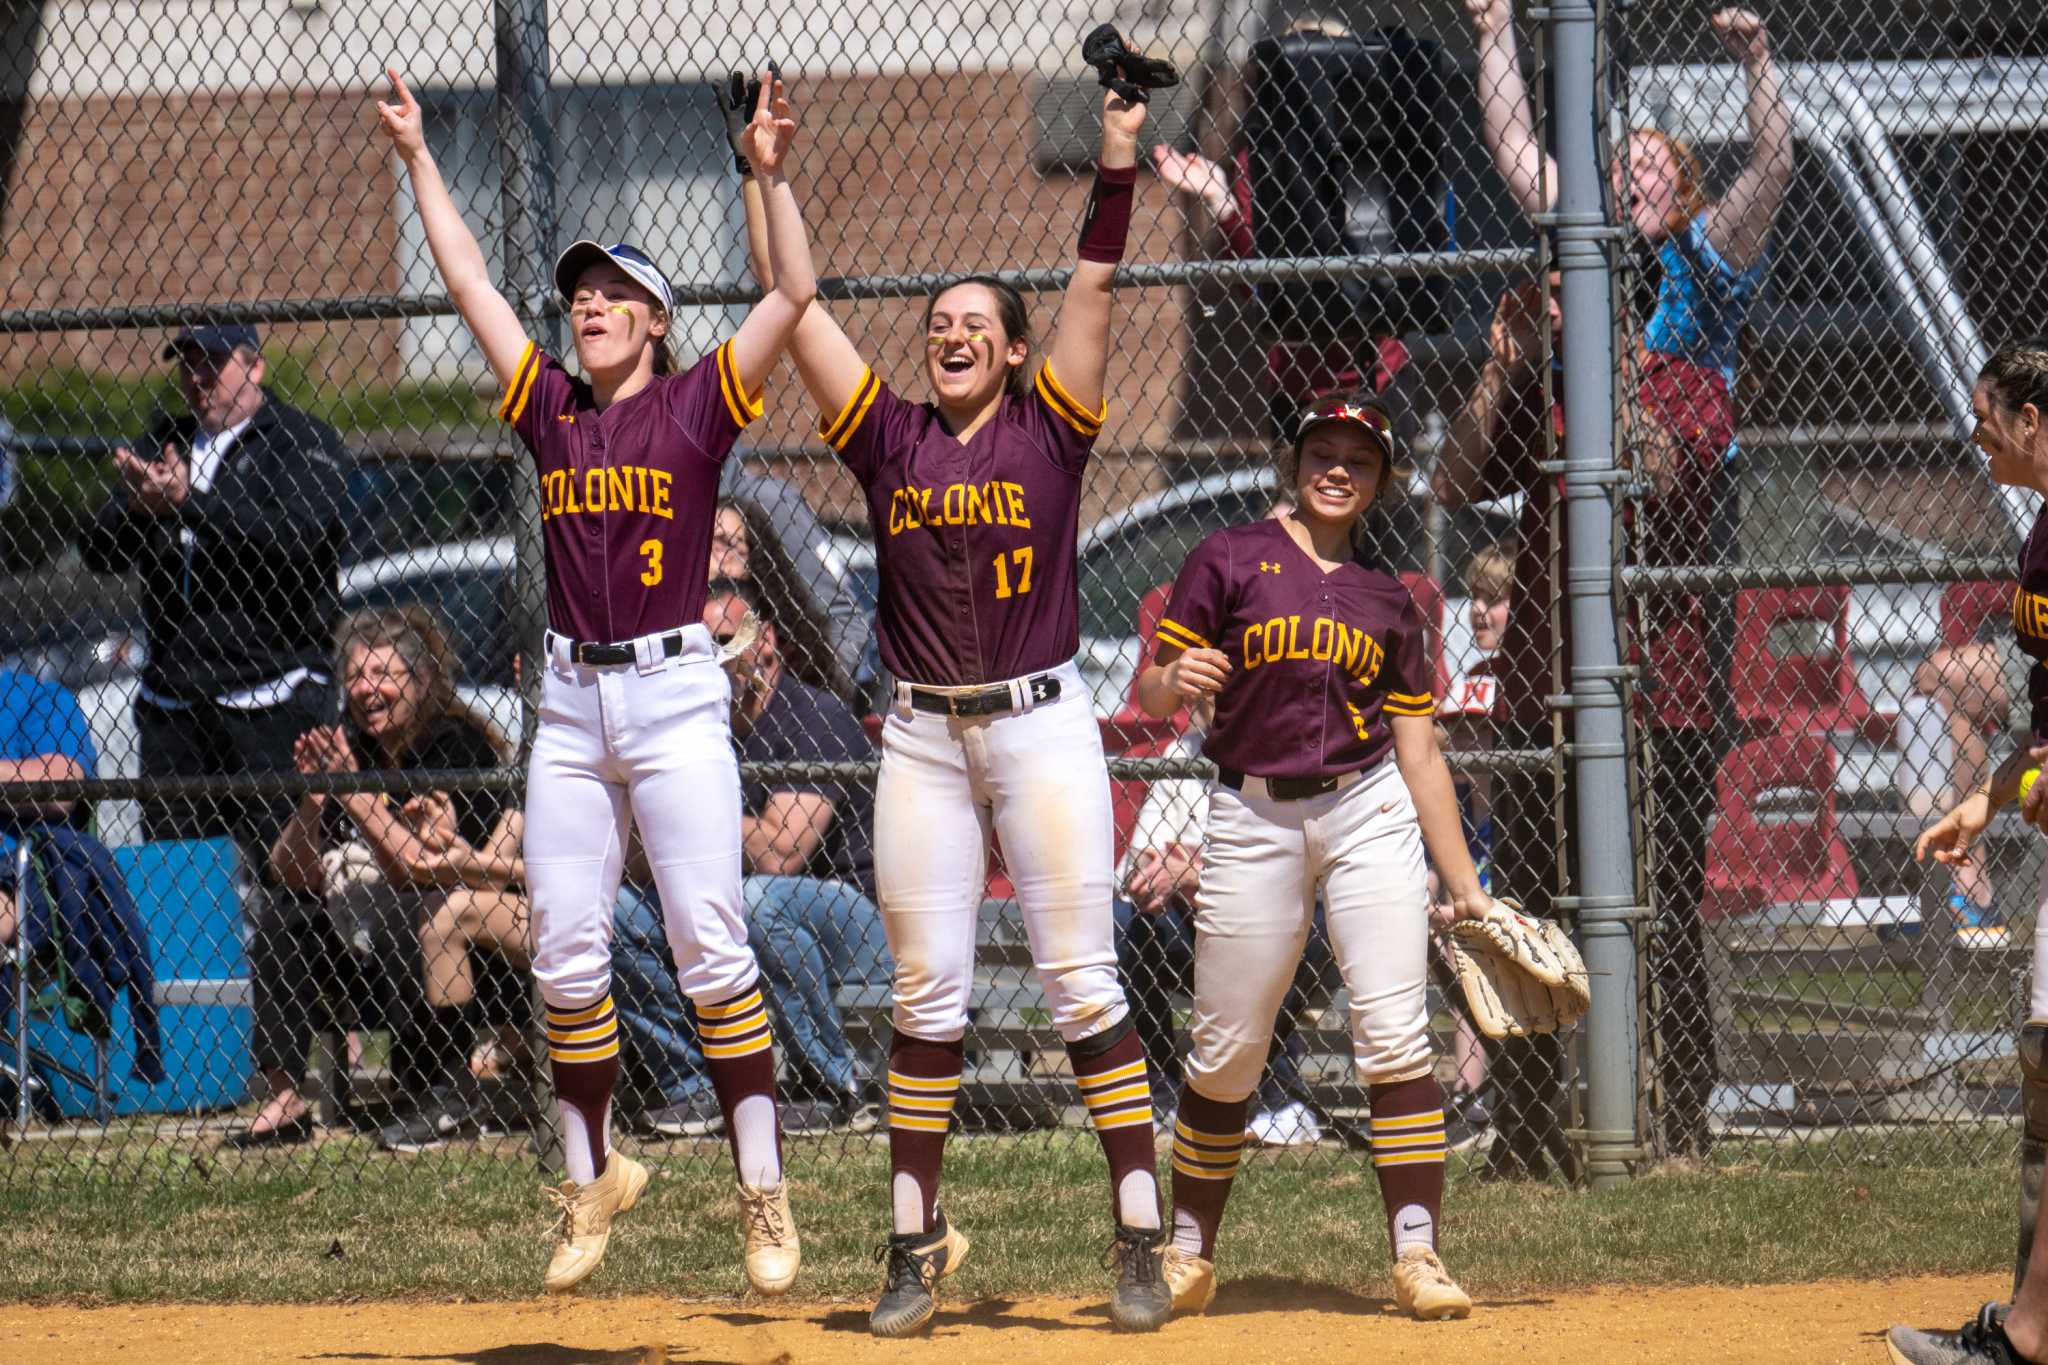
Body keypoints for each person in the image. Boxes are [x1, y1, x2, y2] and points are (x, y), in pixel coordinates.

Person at [733, 70, 1170, 1335]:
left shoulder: (1054, 430)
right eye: (938, 321)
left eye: (977, 320)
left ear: (1015, 347)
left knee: (1082, 984)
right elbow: (799, 306)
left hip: (1036, 726)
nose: (952, 332)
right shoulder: (889, 441)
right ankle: (913, 1246)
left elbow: (1092, 284)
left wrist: (1117, 154)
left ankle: (1138, 1234)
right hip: (919, 735)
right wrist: (768, 174)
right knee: (928, 1000)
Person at [373, 65, 818, 1295]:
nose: (589, 307)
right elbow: (466, 284)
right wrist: (419, 155)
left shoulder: (697, 404)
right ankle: (590, 1180)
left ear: (660, 318)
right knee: (566, 957)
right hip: (569, 707)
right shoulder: (551, 409)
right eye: (580, 294)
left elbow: (794, 289)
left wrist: (761, 173)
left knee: (708, 949)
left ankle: (763, 1195)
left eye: (616, 294)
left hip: (675, 698)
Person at [1135, 394, 1485, 1322]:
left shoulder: (1391, 597)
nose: (1339, 469)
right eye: (1322, 452)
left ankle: (1418, 1253)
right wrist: (1177, 679)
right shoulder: (1228, 559)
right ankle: (1187, 1253)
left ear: (1380, 481)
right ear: (1292, 464)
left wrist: (1466, 886)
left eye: (1359, 459)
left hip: (1367, 809)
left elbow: (1419, 753)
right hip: (1252, 811)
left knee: (1394, 1031)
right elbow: (1154, 685)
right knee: (1226, 1051)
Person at [1887, 342, 2048, 1365]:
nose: (1973, 434)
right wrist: (1982, 804)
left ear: (2030, 419)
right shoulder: (2038, 542)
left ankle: (2025, 1336)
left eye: (1986, 415)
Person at [253, 607, 522, 1152]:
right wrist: (313, 801)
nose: (366, 690)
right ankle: (284, 1096)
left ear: (422, 682)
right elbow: (289, 872)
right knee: (286, 917)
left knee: (410, 903)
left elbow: (421, 869)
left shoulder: (454, 744)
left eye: (383, 676)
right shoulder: (355, 747)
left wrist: (353, 790)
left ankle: (436, 1087)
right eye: (354, 677)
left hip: (476, 945)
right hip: (369, 938)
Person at [77, 322, 349, 859]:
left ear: (255, 366)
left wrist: (188, 503)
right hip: (175, 704)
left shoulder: (298, 439)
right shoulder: (164, 442)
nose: (199, 376)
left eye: (214, 361)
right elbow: (99, 553)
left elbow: (301, 538)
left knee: (288, 874)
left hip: (271, 696)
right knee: (179, 883)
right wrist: (136, 509)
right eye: (189, 363)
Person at [1464, 1, 1790, 396]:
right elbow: (1512, 141)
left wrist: (1757, 61)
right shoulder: (1585, 224)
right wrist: (1494, 31)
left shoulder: (1705, 246)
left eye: (1649, 167)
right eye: (1617, 169)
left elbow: (1771, 166)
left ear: (1682, 190)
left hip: (1683, 441)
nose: (1629, 175)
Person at [705, 577, 891, 1130]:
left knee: (760, 899)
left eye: (722, 642)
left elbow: (780, 855)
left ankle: (840, 1085)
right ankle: (688, 1086)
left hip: (857, 916)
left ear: (764, 641)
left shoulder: (813, 716)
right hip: (753, 912)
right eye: (697, 646)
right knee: (625, 910)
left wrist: (685, 813)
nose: (710, 661)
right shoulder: (707, 729)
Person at [1432, 542, 1515, 1130]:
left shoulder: (1526, 687)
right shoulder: (1474, 681)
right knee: (1456, 939)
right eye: (1476, 598)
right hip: (1474, 838)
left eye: (1497, 599)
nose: (1480, 611)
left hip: (1513, 846)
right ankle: (1469, 1090)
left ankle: (1499, 1086)